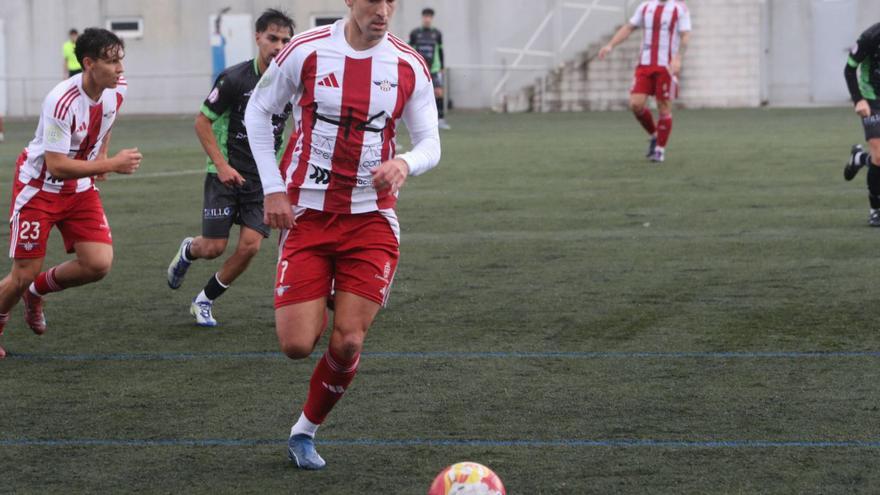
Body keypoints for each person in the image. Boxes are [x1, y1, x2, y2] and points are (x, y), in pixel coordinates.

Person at [244, 0, 441, 470]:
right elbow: (258, 112)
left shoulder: (409, 64)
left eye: (392, 1)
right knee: (296, 345)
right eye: (374, 0)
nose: (384, 10)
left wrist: (404, 162)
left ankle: (304, 431)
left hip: (371, 220)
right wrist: (273, 189)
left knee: (349, 340)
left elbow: (431, 143)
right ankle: (329, 291)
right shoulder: (306, 51)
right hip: (308, 216)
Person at [0, 28, 141, 359]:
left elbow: (109, 118)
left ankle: (36, 292)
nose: (120, 68)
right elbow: (57, 165)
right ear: (89, 64)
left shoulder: (116, 88)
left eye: (121, 59)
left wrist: (101, 153)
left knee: (97, 263)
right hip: (39, 189)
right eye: (112, 61)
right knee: (22, 274)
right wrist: (111, 164)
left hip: (79, 189)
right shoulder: (61, 102)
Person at [166, 9, 294, 327]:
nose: (279, 47)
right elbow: (202, 122)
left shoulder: (293, 83)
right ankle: (189, 250)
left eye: (285, 41)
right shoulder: (234, 78)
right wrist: (222, 165)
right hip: (225, 174)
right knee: (213, 248)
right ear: (258, 37)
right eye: (273, 38)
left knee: (250, 247)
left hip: (262, 178)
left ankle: (204, 300)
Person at [598, 0, 691, 163]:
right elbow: (629, 27)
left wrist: (678, 58)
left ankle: (659, 150)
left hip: (666, 66)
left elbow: (685, 35)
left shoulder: (679, 8)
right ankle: (655, 135)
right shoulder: (646, 6)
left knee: (663, 106)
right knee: (636, 104)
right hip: (644, 65)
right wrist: (610, 45)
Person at [843, 23, 880, 226]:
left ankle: (859, 158)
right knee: (879, 155)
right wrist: (858, 100)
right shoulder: (870, 37)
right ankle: (876, 210)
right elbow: (849, 69)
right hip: (871, 99)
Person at [410, 7, 450, 130]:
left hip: (434, 69)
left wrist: (442, 66)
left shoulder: (437, 34)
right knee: (416, 93)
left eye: (429, 17)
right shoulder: (415, 33)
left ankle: (440, 119)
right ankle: (416, 119)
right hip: (419, 69)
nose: (427, 19)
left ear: (432, 18)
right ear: (422, 18)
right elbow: (409, 51)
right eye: (425, 16)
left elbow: (441, 50)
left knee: (438, 92)